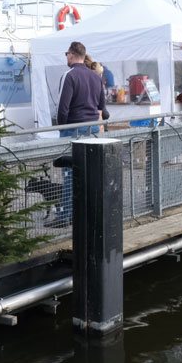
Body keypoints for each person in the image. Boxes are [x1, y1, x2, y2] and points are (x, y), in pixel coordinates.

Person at [55, 41, 106, 227]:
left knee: (70, 174)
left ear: (70, 55)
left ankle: (64, 216)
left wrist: (62, 128)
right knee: (91, 172)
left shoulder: (68, 76)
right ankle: (90, 213)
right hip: (93, 129)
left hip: (73, 129)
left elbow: (63, 108)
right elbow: (101, 105)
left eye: (66, 54)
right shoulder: (95, 76)